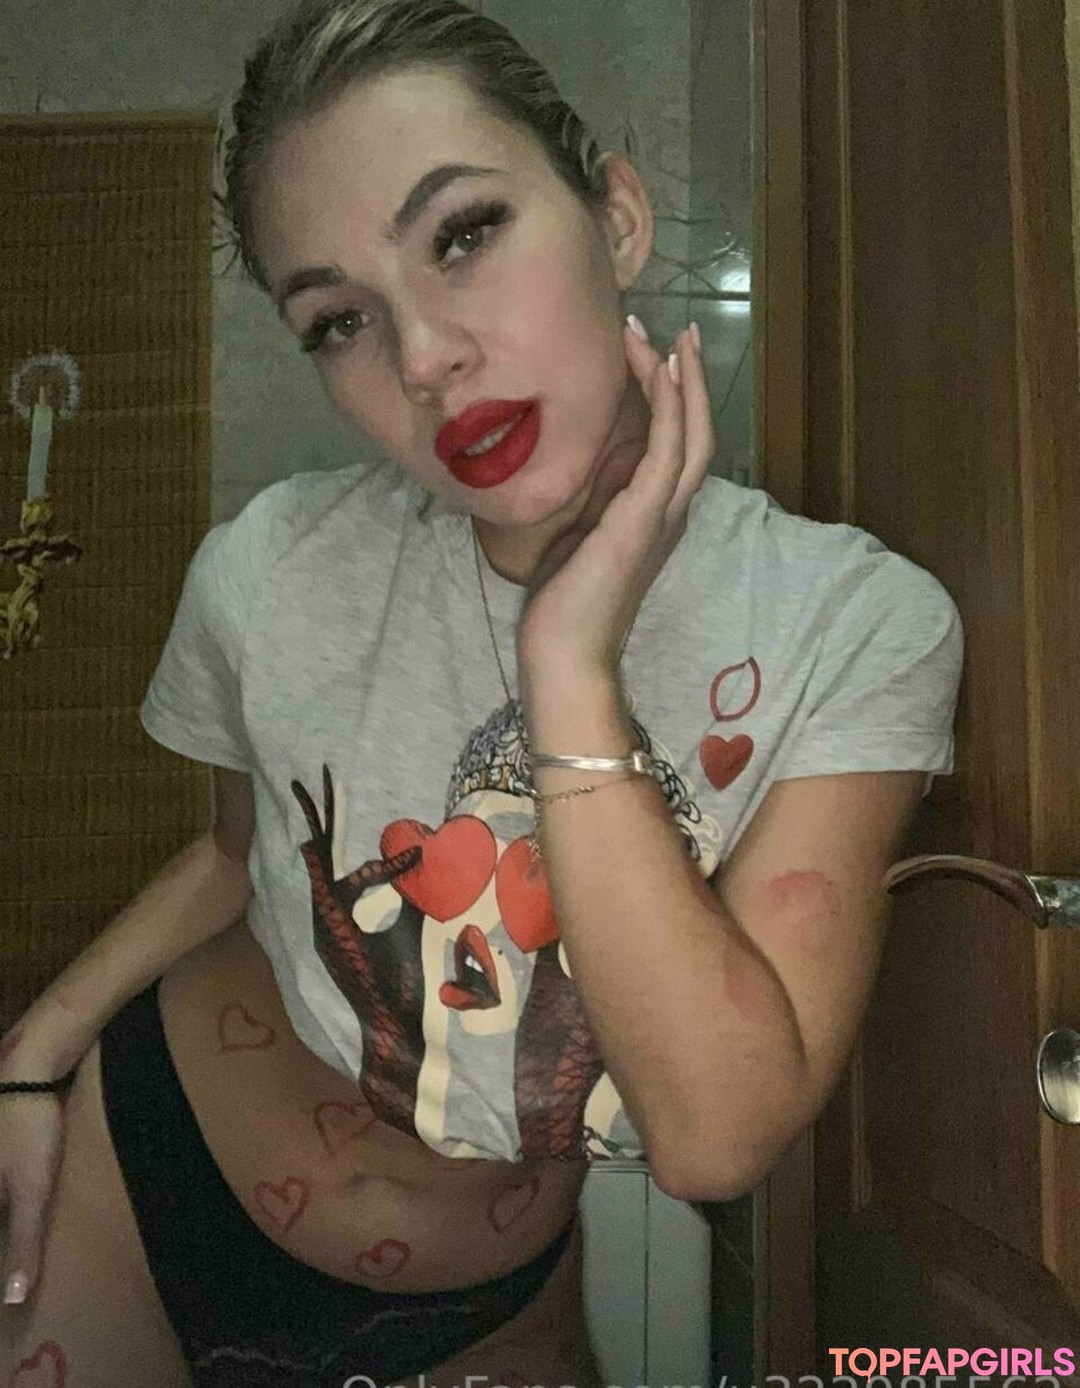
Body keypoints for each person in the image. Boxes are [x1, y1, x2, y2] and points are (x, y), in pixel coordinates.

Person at [0, 0, 965, 1383]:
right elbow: (231, 859)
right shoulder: (267, 574)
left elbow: (715, 1137)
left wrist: (566, 671)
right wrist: (34, 1052)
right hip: (134, 1179)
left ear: (616, 217)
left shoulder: (854, 627)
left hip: (487, 1297)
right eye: (339, 319)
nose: (423, 358)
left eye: (462, 234)